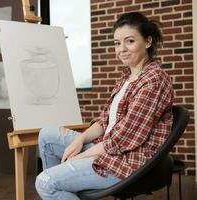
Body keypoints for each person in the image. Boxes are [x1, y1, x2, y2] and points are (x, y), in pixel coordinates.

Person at [35, 12, 173, 200]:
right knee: (47, 135)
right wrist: (80, 139)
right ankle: (64, 188)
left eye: (130, 41)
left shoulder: (152, 81)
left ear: (147, 42)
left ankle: (58, 185)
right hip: (108, 148)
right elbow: (104, 121)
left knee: (45, 182)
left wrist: (78, 158)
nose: (121, 49)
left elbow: (121, 139)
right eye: (117, 43)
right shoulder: (127, 77)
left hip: (126, 160)